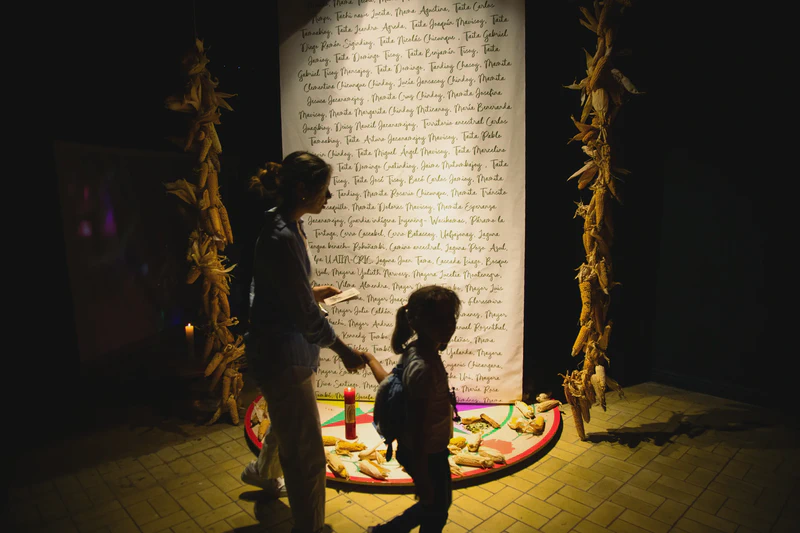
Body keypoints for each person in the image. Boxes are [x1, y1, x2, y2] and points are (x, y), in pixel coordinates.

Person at [239, 151, 370, 533]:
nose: (328, 198)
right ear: (302, 189)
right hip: (283, 357)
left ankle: (262, 474)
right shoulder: (281, 236)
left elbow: (275, 291)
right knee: (307, 455)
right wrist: (343, 349)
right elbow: (304, 316)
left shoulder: (286, 225)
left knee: (287, 423)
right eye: (324, 190)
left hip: (284, 353)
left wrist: (311, 291)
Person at [366, 285, 461, 533]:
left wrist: (369, 359)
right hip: (425, 454)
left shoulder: (417, 350)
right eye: (438, 319)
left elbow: (390, 383)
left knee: (433, 506)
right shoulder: (424, 368)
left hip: (422, 451)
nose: (448, 325)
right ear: (419, 322)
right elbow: (418, 425)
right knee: (436, 509)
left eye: (450, 317)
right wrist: (422, 474)